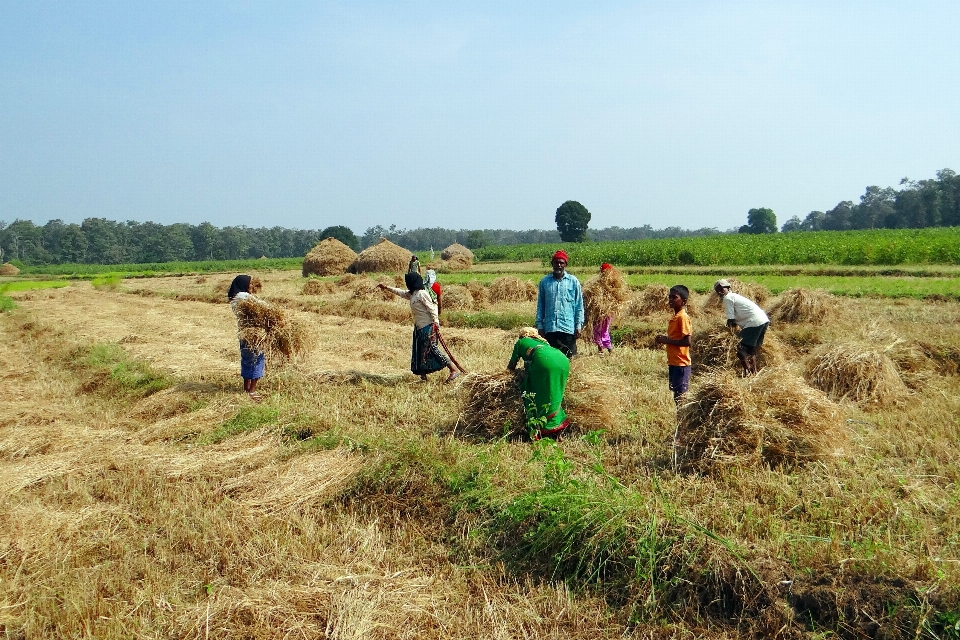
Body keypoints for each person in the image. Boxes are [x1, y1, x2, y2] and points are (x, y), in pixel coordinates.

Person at [379, 272, 460, 383]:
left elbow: (432, 308)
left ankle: (453, 370)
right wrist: (386, 287)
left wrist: (436, 322)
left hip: (428, 326)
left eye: (408, 282)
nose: (407, 284)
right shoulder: (412, 294)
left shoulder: (422, 293)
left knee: (433, 349)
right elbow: (401, 292)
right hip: (419, 327)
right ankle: (423, 377)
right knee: (419, 351)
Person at [507, 327, 571, 440]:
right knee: (555, 393)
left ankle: (538, 428)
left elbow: (512, 365)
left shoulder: (521, 341)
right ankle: (558, 428)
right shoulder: (542, 341)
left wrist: (508, 377)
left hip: (544, 361)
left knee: (534, 392)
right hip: (563, 360)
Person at [714, 278, 770, 375]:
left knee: (740, 349)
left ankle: (747, 372)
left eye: (722, 288)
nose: (720, 291)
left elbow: (731, 320)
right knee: (750, 348)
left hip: (754, 322)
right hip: (763, 320)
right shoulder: (734, 296)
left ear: (727, 288)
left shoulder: (728, 298)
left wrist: (726, 330)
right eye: (718, 290)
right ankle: (754, 372)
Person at [535, 249, 584, 358]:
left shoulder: (573, 281)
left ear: (565, 264)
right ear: (552, 264)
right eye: (556, 262)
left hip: (567, 328)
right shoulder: (545, 282)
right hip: (550, 329)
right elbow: (541, 305)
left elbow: (579, 305)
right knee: (551, 359)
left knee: (569, 359)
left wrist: (578, 325)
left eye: (561, 263)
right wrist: (540, 325)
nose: (559, 265)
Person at [228, 274, 266, 402]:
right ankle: (252, 390)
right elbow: (262, 306)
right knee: (257, 359)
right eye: (249, 284)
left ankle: (246, 388)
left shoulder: (235, 298)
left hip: (244, 333)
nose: (251, 286)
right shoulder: (244, 296)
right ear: (243, 284)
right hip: (253, 333)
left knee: (247, 359)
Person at [655, 285, 693, 403]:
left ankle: (682, 419)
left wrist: (666, 340)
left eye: (674, 297)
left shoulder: (682, 317)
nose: (670, 299)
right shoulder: (675, 317)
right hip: (674, 362)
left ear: (683, 301)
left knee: (680, 397)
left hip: (681, 364)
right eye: (669, 297)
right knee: (677, 396)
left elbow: (687, 342)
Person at [590, 263, 617, 356]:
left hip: (607, 311)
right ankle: (601, 350)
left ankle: (608, 350)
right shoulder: (598, 284)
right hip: (598, 310)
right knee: (598, 329)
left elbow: (616, 297)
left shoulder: (613, 284)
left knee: (602, 330)